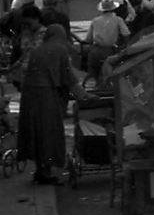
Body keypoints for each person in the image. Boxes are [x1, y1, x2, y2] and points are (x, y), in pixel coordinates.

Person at [16, 25, 95, 185]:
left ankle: (40, 170)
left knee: (36, 132)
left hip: (29, 96)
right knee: (48, 132)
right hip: (45, 95)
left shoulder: (38, 50)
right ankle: (46, 173)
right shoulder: (60, 49)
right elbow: (69, 77)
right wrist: (85, 95)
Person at [85, 0, 131, 88]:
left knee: (92, 69)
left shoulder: (95, 20)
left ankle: (94, 81)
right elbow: (126, 34)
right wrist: (124, 45)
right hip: (111, 51)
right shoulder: (118, 20)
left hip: (96, 51)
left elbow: (88, 39)